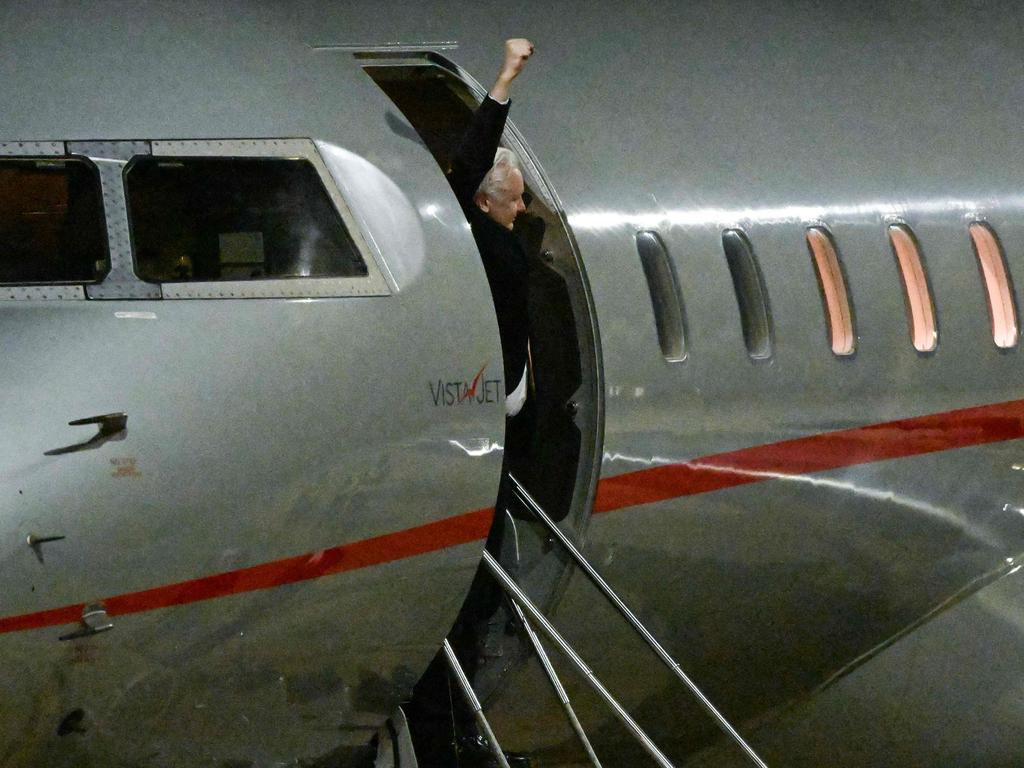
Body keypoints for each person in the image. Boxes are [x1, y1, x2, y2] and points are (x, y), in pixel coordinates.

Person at [449, 37, 534, 419]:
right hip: (486, 392)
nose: (522, 207)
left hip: (514, 383)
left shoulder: (507, 235)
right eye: (513, 200)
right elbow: (470, 163)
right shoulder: (472, 233)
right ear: (483, 203)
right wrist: (504, 81)